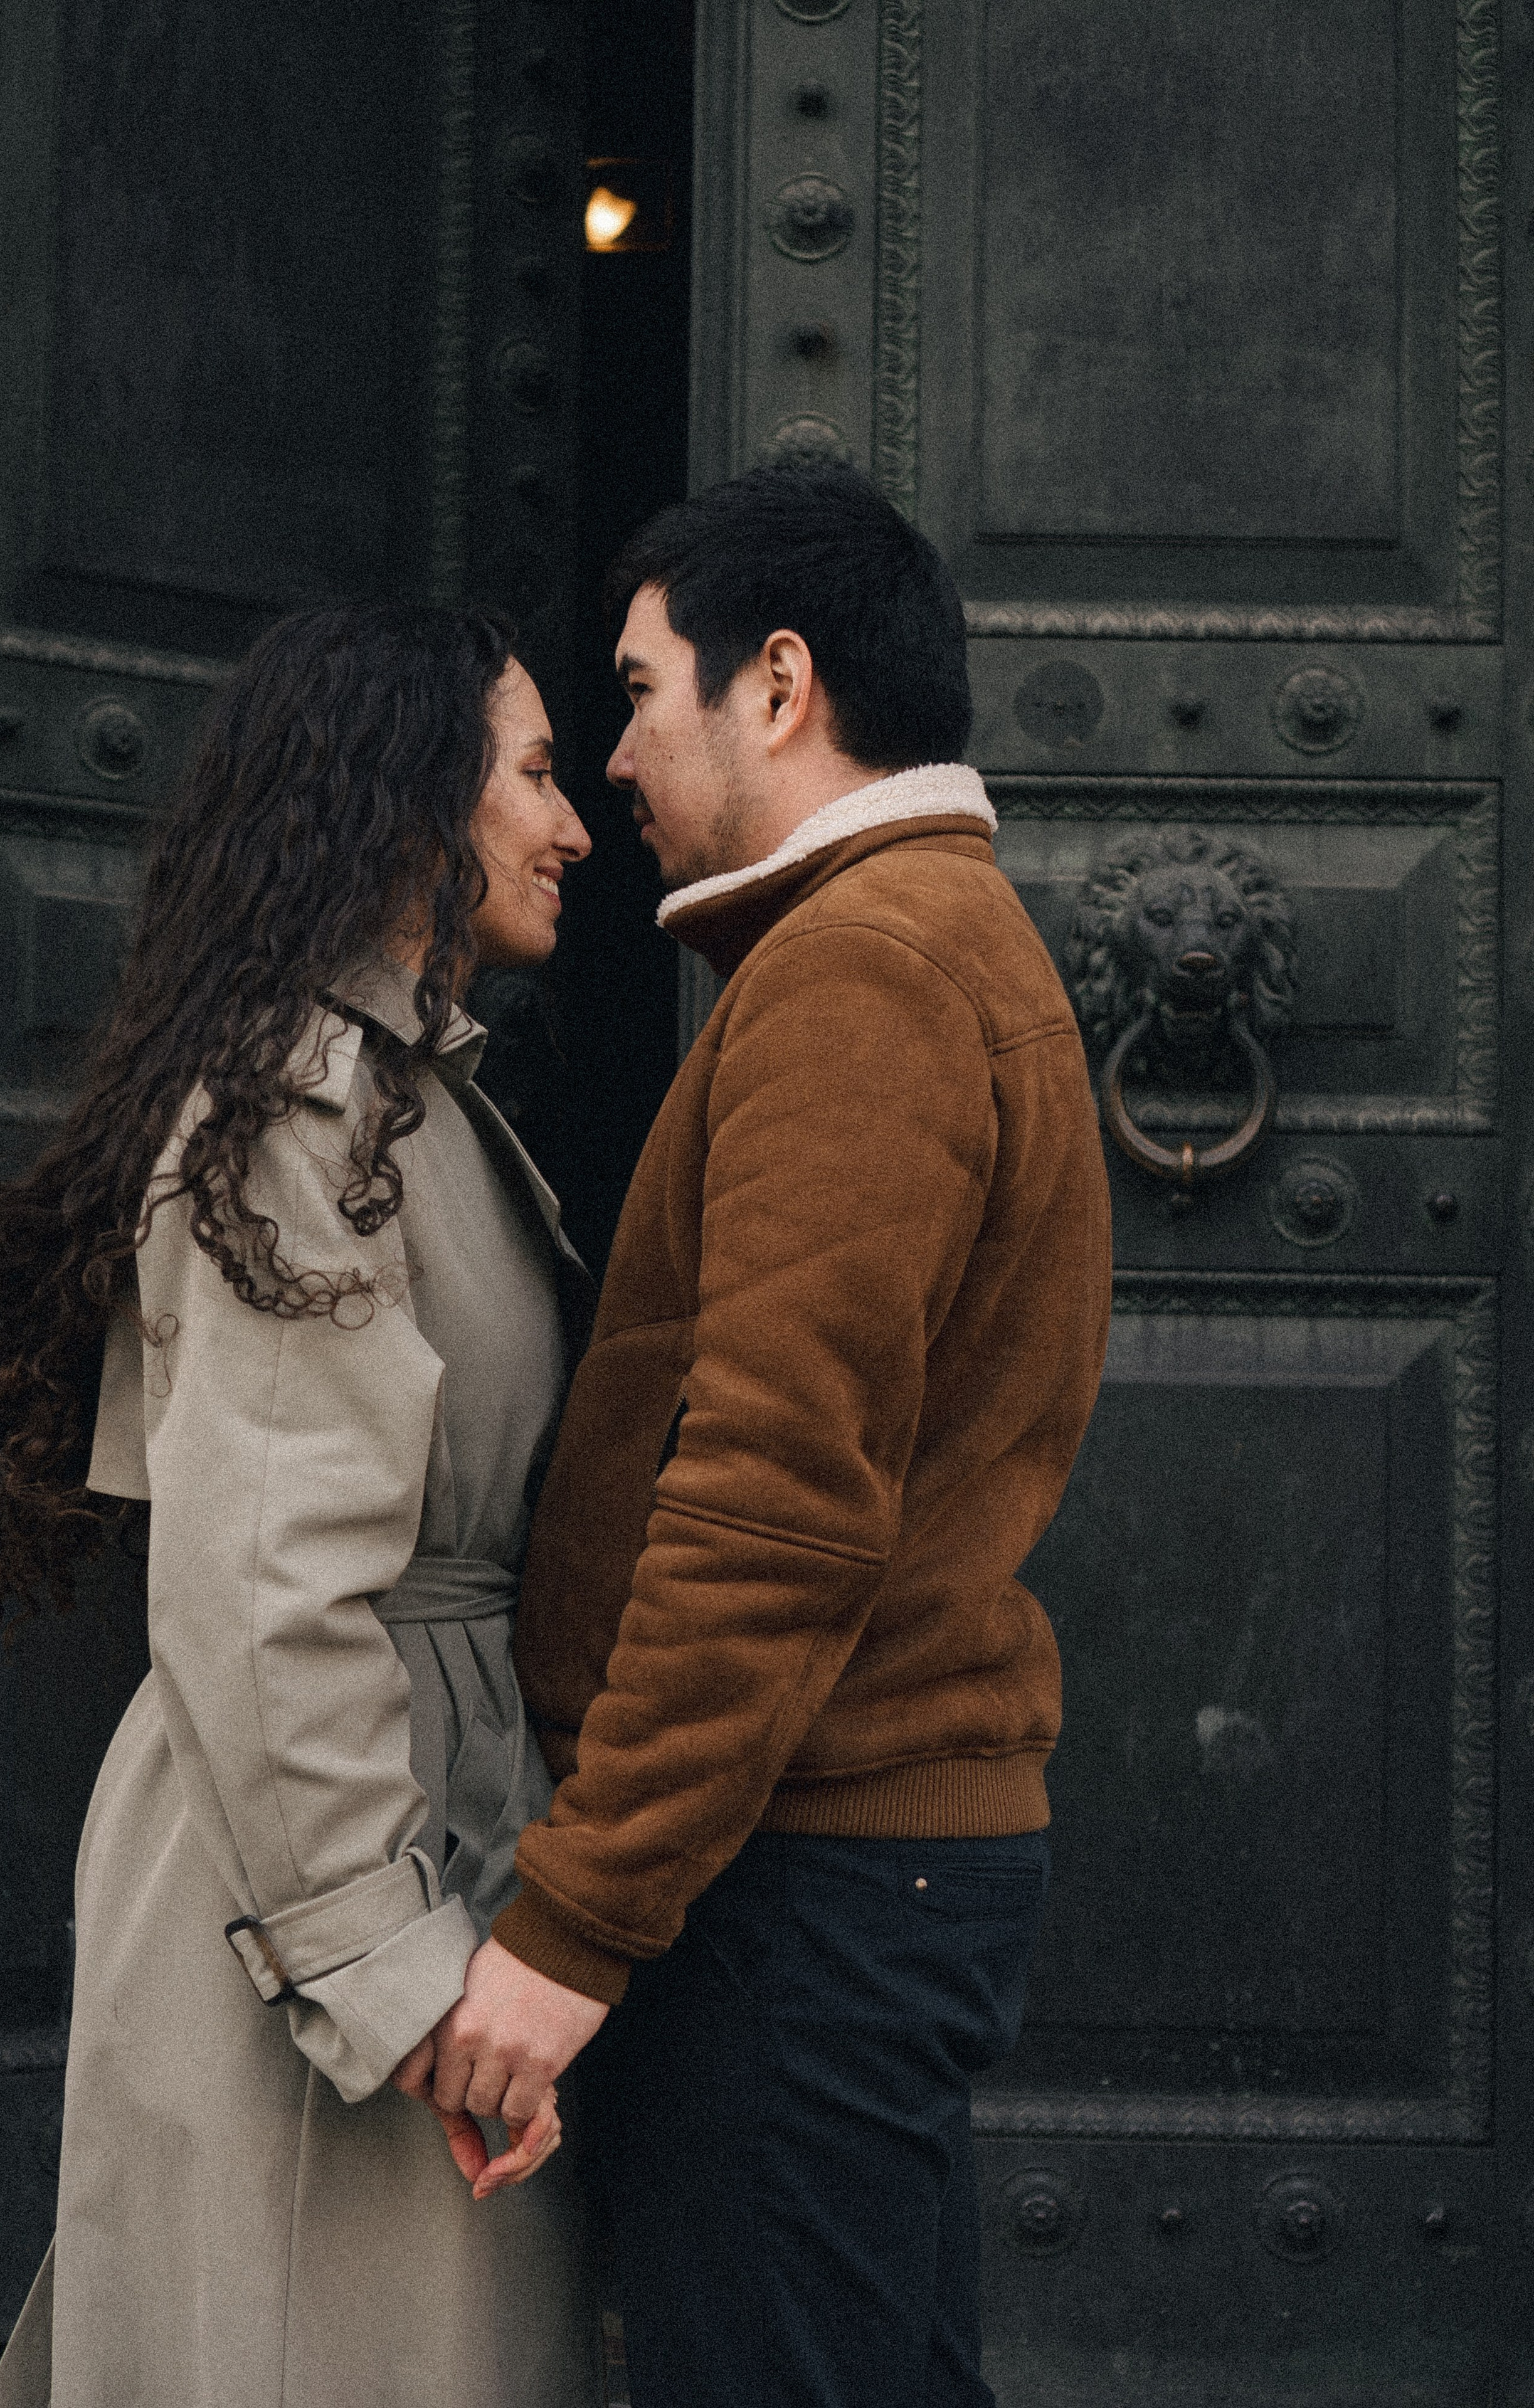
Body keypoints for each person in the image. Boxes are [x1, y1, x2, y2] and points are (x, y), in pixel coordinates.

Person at [415, 462, 1114, 2406]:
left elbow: (775, 1504)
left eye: (639, 694)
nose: (616, 761)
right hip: (838, 1880)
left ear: (780, 683)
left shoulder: (867, 972)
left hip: (795, 1895)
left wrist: (576, 1922)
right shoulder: (906, 942)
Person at [0, 602, 606, 2408]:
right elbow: (259, 1590)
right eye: (535, 774)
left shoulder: (410, 1099)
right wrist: (395, 1976)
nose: (576, 822)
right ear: (408, 809)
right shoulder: (301, 1114)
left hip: (419, 1827)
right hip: (314, 1887)